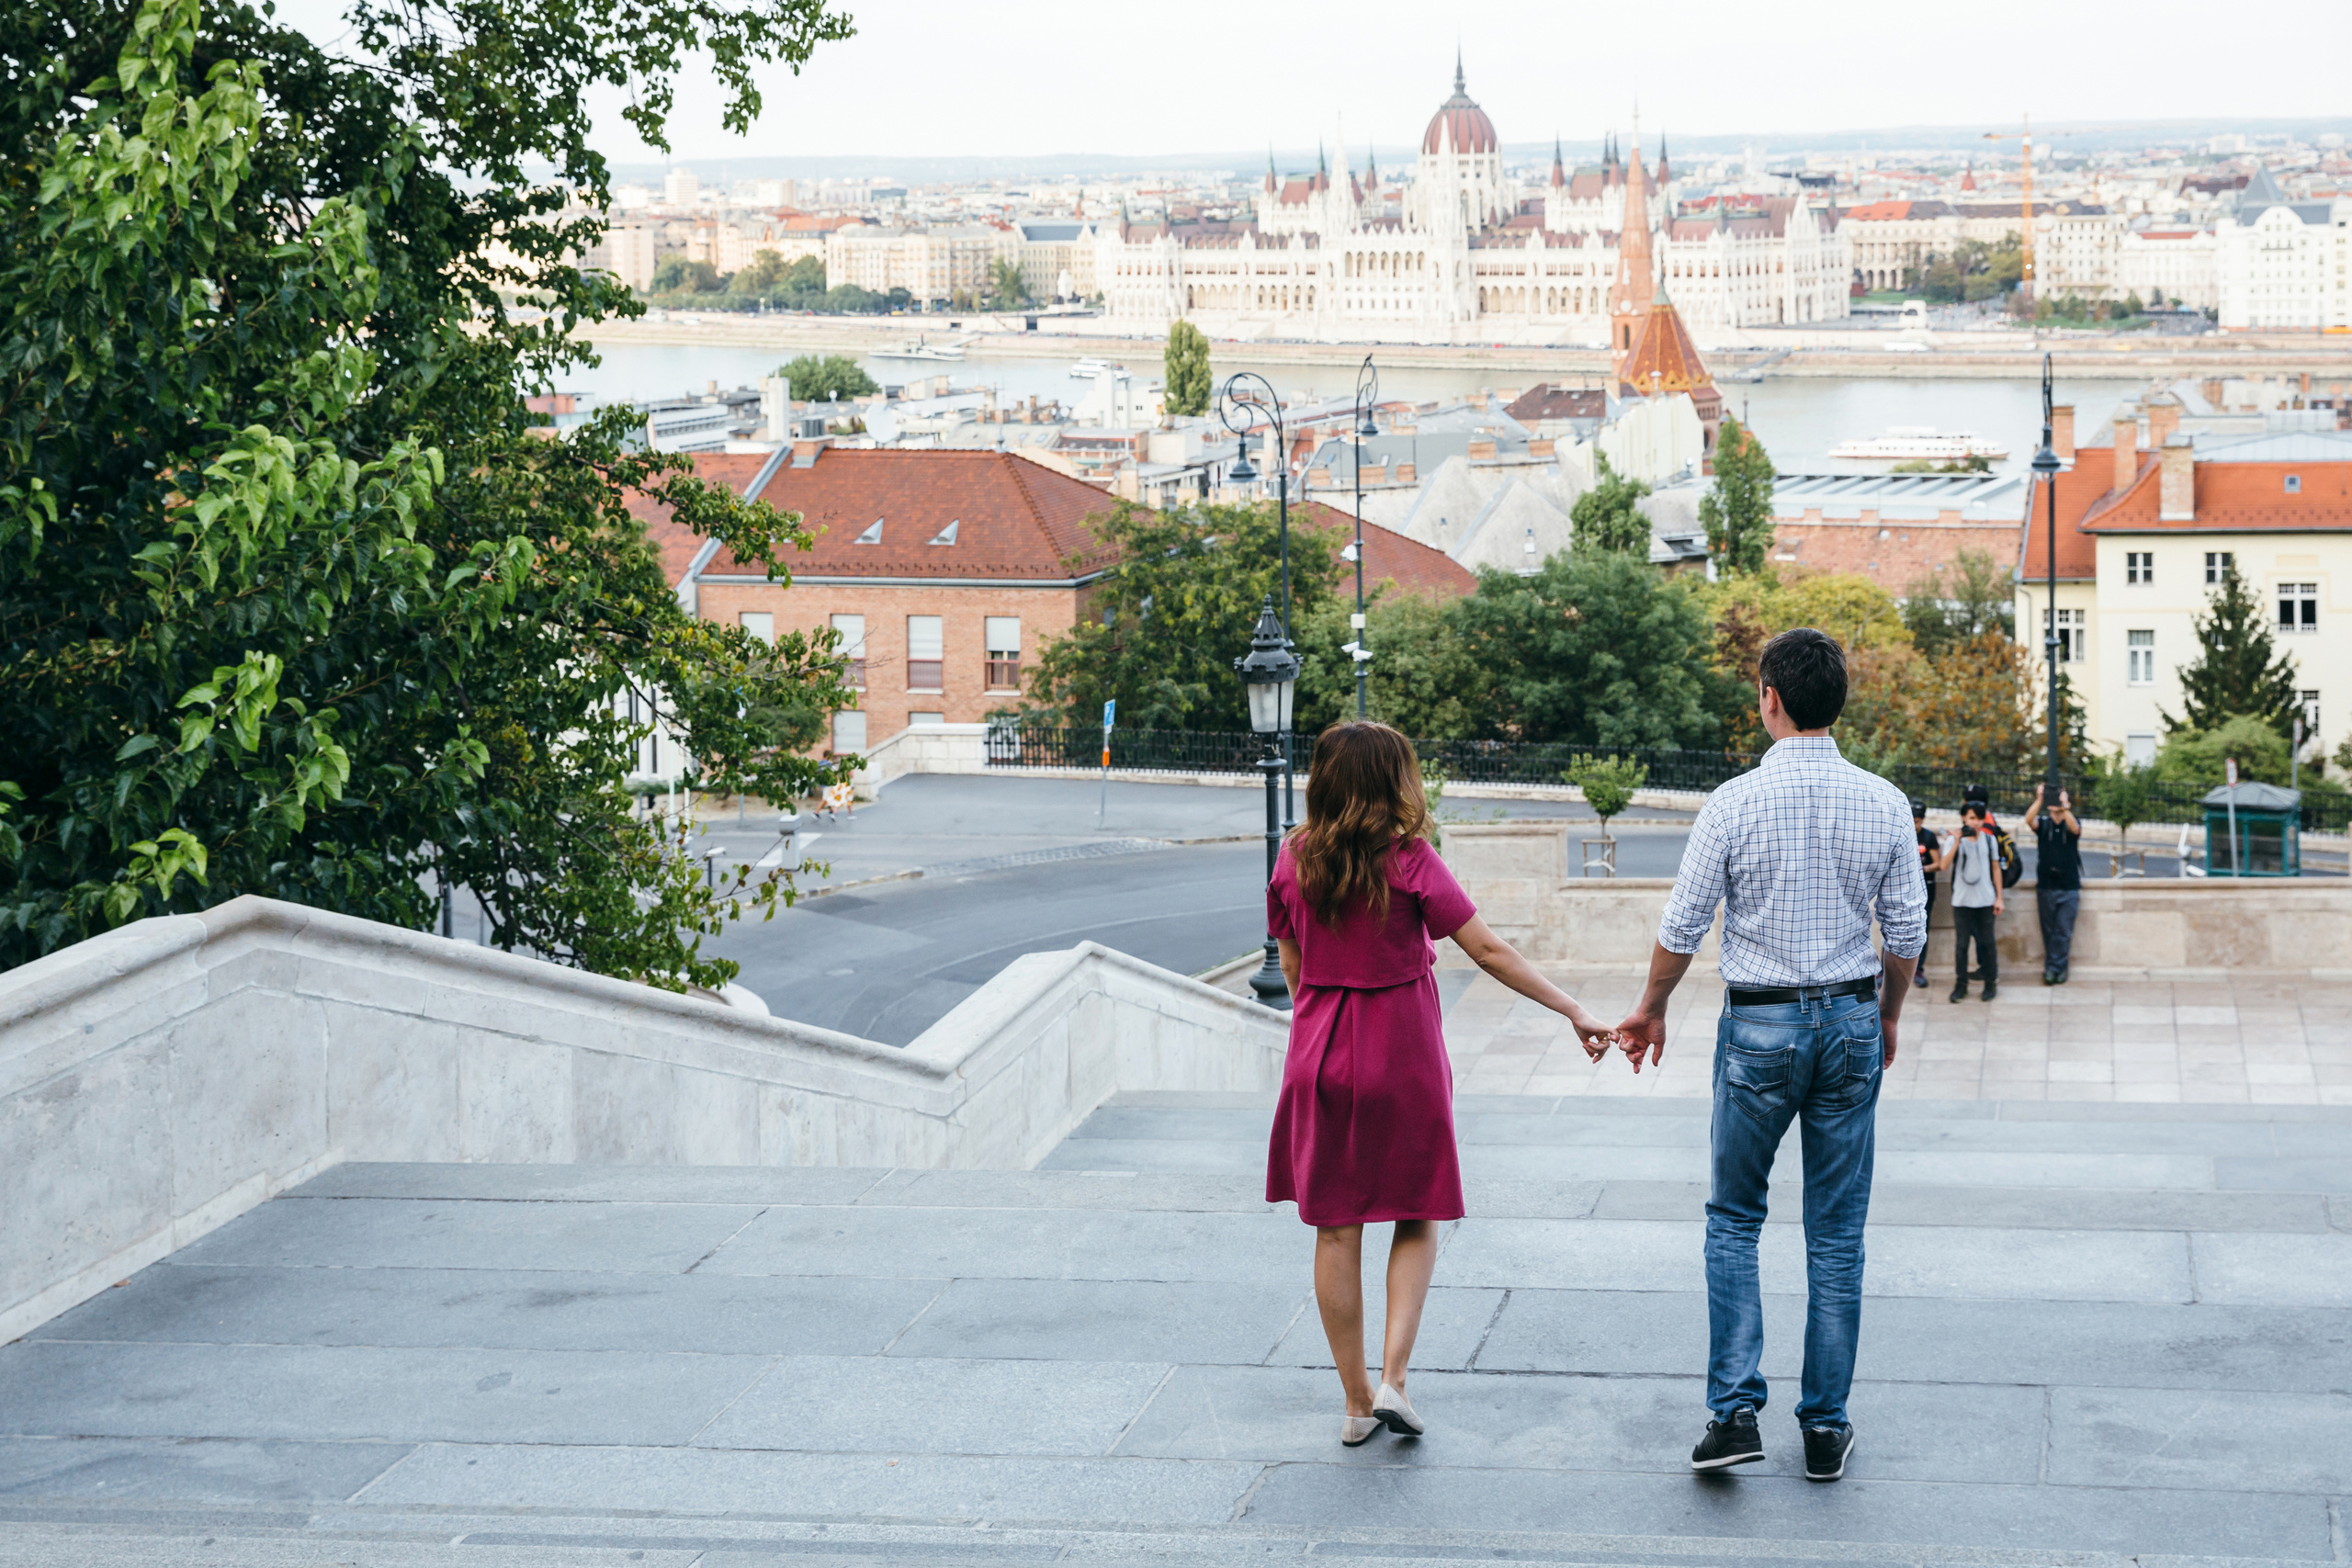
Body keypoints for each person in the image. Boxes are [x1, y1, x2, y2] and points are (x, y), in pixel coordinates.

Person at [1611, 627, 1924, 1484]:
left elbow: (1682, 925)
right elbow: (1906, 934)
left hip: (1758, 1027)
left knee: (1735, 1217)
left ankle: (1734, 1412)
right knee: (1836, 1234)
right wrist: (1886, 1016)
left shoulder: (1732, 803)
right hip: (1852, 1020)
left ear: (1769, 697)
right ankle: (1825, 1426)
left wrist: (1651, 1007)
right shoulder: (1887, 803)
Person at [1267, 721, 1620, 1448]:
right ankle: (1395, 1376)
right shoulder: (1410, 858)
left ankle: (1356, 1402)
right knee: (1416, 1212)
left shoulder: (1293, 857)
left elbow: (1294, 969)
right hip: (1402, 1054)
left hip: (1320, 1053)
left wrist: (1317, 1040)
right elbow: (1486, 948)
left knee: (1335, 1227)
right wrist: (1573, 1008)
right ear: (1395, 780)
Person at [1939, 803, 2004, 1001]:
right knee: (1962, 945)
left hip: (1985, 900)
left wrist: (1999, 897)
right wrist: (1956, 841)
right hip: (1962, 901)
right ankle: (1961, 985)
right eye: (1971, 818)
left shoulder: (1990, 840)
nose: (1974, 822)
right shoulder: (1954, 840)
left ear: (1983, 820)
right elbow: (1943, 865)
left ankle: (1991, 982)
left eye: (1978, 818)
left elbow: (1995, 868)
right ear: (1964, 819)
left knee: (1988, 943)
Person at [2030, 783, 2082, 985]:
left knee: (2063, 930)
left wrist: (2064, 807)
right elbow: (2028, 820)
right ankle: (2053, 968)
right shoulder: (2043, 825)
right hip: (2046, 886)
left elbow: (2075, 828)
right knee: (2049, 930)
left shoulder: (2071, 822)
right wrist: (2040, 799)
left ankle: (2058, 968)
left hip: (2069, 887)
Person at [1911, 798, 1936, 989]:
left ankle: (1918, 968)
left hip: (1926, 886)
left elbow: (1938, 863)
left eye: (1918, 820)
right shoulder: (1902, 834)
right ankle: (1883, 971)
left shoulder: (1928, 837)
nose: (1914, 824)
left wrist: (1922, 868)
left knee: (1922, 929)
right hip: (1905, 888)